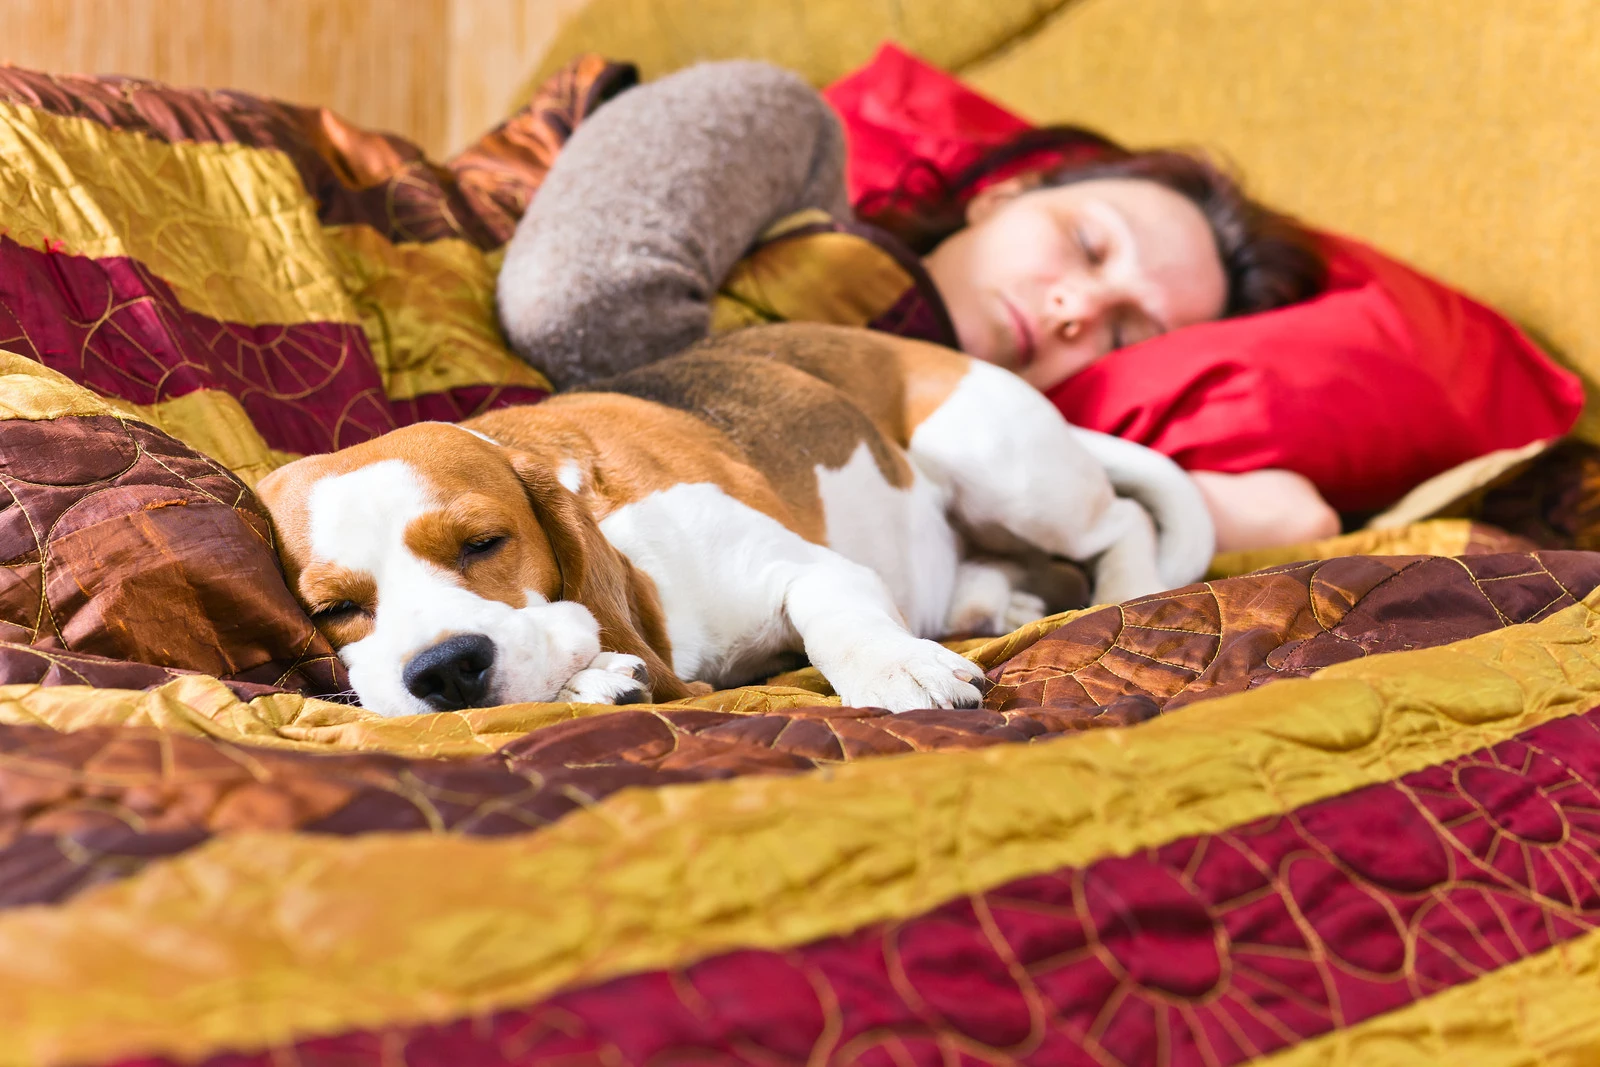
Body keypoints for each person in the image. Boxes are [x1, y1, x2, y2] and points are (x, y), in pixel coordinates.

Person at [496, 61, 1339, 553]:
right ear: (1002, 194)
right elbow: (577, 310)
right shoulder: (789, 133)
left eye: (1126, 331)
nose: (1076, 305)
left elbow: (1301, 513)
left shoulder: (980, 482)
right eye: (1087, 245)